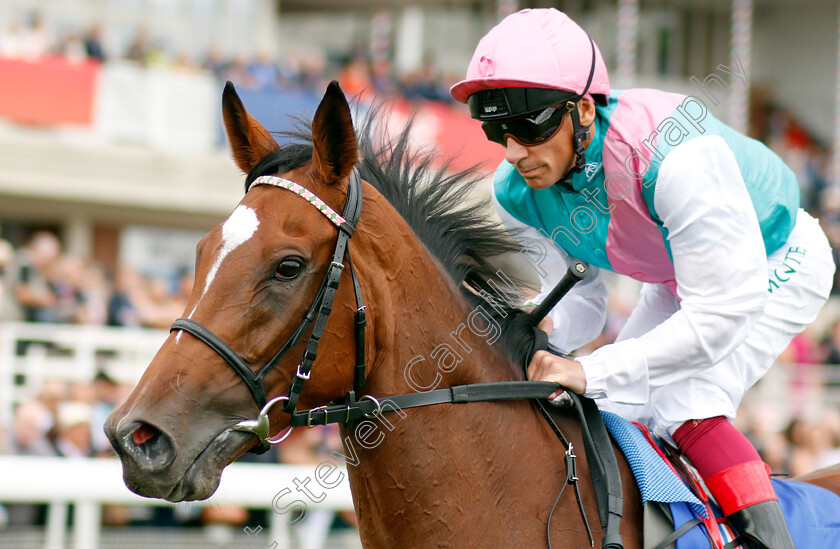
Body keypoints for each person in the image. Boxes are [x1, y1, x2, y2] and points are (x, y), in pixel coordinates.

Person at [450, 8, 835, 548]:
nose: (514, 152)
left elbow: (720, 317)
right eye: (496, 129)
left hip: (779, 258)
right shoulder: (513, 194)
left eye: (528, 126)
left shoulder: (673, 158)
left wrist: (592, 369)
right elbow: (582, 301)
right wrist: (525, 331)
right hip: (678, 278)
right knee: (611, 407)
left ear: (582, 109)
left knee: (686, 400)